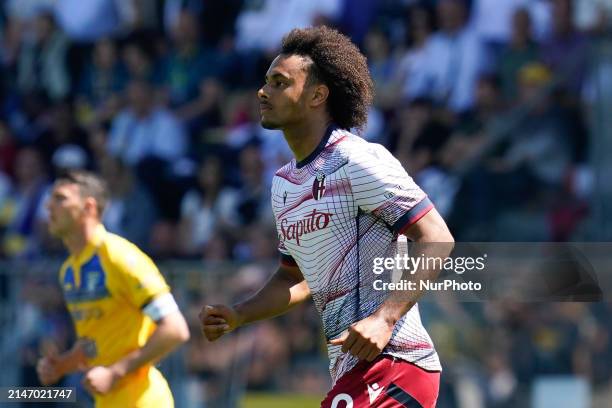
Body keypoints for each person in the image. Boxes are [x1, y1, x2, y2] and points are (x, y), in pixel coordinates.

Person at [200, 26, 454, 408]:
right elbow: (294, 277)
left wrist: (384, 319)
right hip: (353, 371)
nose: (262, 91)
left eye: (279, 82)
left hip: (396, 364)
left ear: (318, 95)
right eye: (265, 81)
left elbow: (437, 237)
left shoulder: (357, 160)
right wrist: (239, 313)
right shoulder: (284, 184)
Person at [37, 170, 190, 407]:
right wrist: (62, 365)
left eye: (60, 198)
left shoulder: (119, 257)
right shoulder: (69, 270)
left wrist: (115, 372)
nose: (48, 206)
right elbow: (94, 343)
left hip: (142, 401)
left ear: (88, 207)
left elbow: (175, 329)